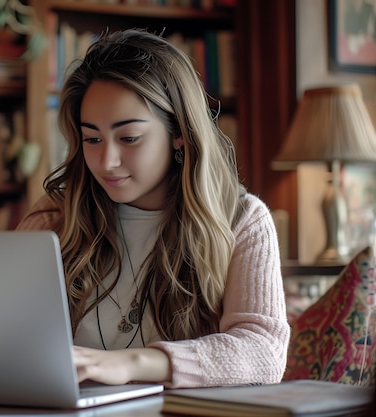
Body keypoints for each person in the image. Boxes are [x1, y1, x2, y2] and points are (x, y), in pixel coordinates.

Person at [16, 28, 289, 388]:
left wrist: (129, 364)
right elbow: (5, 328)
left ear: (179, 130)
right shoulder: (56, 215)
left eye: (128, 138)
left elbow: (263, 350)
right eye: (92, 139)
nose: (107, 161)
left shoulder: (242, 220)